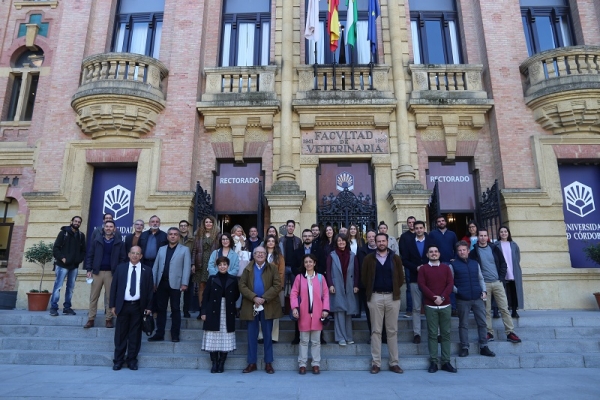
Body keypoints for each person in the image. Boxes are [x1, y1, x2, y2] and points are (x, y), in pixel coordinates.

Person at [361, 233, 405, 374]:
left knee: (392, 331)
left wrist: (394, 290)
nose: (381, 243)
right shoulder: (369, 258)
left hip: (393, 298)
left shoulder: (395, 258)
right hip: (375, 297)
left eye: (383, 241)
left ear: (387, 242)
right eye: (378, 241)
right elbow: (364, 277)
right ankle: (376, 363)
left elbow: (401, 277)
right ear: (375, 242)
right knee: (376, 331)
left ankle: (394, 362)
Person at [469, 228, 522, 344]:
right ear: (478, 237)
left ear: (488, 237)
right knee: (486, 310)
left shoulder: (494, 248)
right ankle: (489, 332)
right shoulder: (474, 252)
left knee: (504, 308)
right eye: (481, 236)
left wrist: (501, 278)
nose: (483, 238)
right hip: (484, 285)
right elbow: (472, 269)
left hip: (497, 283)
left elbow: (503, 264)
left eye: (485, 235)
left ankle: (510, 332)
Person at [239, 246, 283, 374]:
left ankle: (268, 363)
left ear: (265, 255)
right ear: (253, 255)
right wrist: (254, 297)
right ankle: (252, 363)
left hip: (267, 305)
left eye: (262, 253)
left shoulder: (273, 268)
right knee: (251, 336)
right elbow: (242, 285)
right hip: (251, 305)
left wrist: (264, 298)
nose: (259, 255)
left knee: (268, 335)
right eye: (257, 253)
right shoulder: (247, 268)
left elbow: (277, 285)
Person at [109, 246, 153, 371]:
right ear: (129, 254)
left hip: (138, 306)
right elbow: (114, 288)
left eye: (137, 253)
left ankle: (132, 360)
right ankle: (118, 360)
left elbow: (150, 290)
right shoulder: (121, 268)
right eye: (132, 253)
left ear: (141, 256)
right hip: (123, 306)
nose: (134, 255)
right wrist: (112, 305)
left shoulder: (147, 270)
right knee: (120, 335)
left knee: (135, 335)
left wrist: (149, 307)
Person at [450, 241, 496, 358]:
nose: (462, 252)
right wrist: (458, 291)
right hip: (462, 299)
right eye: (459, 250)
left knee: (482, 323)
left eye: (464, 250)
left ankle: (484, 346)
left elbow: (481, 278)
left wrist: (484, 291)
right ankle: (464, 347)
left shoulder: (475, 263)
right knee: (463, 324)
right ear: (457, 252)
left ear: (468, 251)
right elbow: (449, 283)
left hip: (477, 298)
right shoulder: (453, 265)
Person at [418, 245, 456, 373]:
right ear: (427, 255)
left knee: (446, 334)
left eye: (436, 252)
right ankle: (433, 361)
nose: (433, 254)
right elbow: (422, 285)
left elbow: (450, 284)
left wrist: (443, 297)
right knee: (433, 334)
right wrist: (434, 298)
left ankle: (446, 361)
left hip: (445, 305)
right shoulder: (423, 269)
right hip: (430, 305)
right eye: (431, 252)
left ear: (439, 254)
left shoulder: (446, 268)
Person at [149, 227, 192, 343]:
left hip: (176, 284)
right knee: (160, 309)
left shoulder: (184, 250)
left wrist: (184, 283)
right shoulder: (161, 249)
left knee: (176, 309)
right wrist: (153, 282)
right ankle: (159, 333)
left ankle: (175, 334)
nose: (173, 236)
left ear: (179, 237)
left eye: (175, 234)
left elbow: (187, 268)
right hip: (161, 283)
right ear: (167, 236)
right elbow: (156, 266)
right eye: (171, 234)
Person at [290, 254, 329, 375]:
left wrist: (325, 309)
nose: (308, 264)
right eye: (306, 262)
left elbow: (326, 294)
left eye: (310, 261)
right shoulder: (299, 278)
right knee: (303, 340)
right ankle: (302, 364)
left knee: (316, 341)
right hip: (304, 314)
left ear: (314, 263)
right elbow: (293, 294)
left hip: (317, 313)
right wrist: (294, 308)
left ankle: (316, 364)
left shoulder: (321, 278)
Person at [200, 256, 240, 373]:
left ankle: (222, 363)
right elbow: (205, 296)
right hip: (213, 309)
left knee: (225, 338)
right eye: (220, 265)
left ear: (228, 266)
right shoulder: (212, 279)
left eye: (224, 265)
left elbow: (236, 295)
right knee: (213, 338)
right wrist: (203, 312)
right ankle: (214, 363)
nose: (222, 267)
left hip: (227, 310)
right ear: (217, 267)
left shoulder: (233, 279)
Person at [84, 220, 126, 329]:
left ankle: (108, 319)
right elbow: (90, 256)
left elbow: (123, 258)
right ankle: (91, 319)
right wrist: (89, 269)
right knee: (94, 297)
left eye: (111, 226)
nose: (108, 228)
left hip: (111, 273)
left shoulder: (119, 243)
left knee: (110, 297)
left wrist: (118, 271)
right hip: (97, 272)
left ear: (114, 229)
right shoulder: (96, 241)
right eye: (106, 226)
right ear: (103, 228)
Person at [400, 220, 436, 344]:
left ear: (424, 229)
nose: (419, 230)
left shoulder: (431, 241)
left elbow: (436, 256)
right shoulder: (409, 242)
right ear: (414, 229)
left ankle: (436, 333)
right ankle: (417, 333)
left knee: (432, 307)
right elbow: (404, 260)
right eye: (417, 228)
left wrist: (426, 267)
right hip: (415, 278)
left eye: (421, 228)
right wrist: (416, 267)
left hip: (431, 279)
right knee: (416, 308)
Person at [326, 234, 359, 346]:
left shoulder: (352, 255)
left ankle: (349, 337)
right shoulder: (332, 255)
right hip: (337, 285)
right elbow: (328, 271)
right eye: (339, 241)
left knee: (348, 312)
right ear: (336, 242)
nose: (341, 242)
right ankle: (340, 337)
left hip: (349, 285)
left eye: (343, 241)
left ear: (346, 242)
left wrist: (356, 285)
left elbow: (356, 272)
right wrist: (330, 284)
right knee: (339, 311)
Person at [50, 216, 86, 316]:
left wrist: (79, 260)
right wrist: (62, 258)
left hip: (74, 266)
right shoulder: (63, 233)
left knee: (70, 288)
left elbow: (83, 250)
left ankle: (67, 307)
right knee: (58, 287)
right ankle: (53, 307)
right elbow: (56, 248)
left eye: (79, 222)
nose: (77, 223)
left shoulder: (81, 235)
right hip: (62, 265)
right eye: (75, 221)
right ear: (71, 222)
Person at [290, 229, 321, 344]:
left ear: (312, 237)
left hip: (315, 280)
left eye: (309, 236)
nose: (307, 238)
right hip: (301, 282)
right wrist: (301, 276)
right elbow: (293, 266)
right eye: (305, 236)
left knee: (316, 310)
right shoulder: (297, 251)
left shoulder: (319, 250)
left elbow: (321, 264)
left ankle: (319, 337)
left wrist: (316, 275)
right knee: (299, 310)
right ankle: (297, 336)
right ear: (302, 237)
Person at [429, 215, 459, 316]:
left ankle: (453, 308)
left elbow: (456, 247)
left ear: (445, 222)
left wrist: (455, 258)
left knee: (451, 285)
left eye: (442, 221)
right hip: (438, 264)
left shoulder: (452, 234)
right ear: (436, 223)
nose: (441, 223)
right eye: (439, 221)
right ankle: (441, 306)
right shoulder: (433, 234)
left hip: (450, 263)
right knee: (440, 286)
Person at [259, 235, 285, 343]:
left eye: (272, 241)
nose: (270, 243)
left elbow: (281, 273)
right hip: (261, 286)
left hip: (274, 288)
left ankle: (273, 336)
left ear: (275, 243)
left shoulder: (279, 257)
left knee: (274, 311)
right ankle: (261, 335)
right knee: (260, 310)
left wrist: (277, 287)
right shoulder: (260, 255)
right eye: (268, 241)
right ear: (265, 243)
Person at [192, 215, 219, 316]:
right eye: (206, 222)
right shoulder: (198, 234)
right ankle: (201, 309)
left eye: (210, 222)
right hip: (200, 262)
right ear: (204, 224)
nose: (208, 224)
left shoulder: (218, 235)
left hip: (213, 263)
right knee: (201, 286)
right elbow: (194, 250)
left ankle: (210, 309)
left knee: (212, 286)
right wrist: (193, 263)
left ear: (213, 223)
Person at [497, 226, 523, 319]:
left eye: (505, 231)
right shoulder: (496, 245)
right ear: (499, 234)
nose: (503, 233)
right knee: (501, 292)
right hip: (501, 271)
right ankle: (500, 310)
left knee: (514, 291)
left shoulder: (514, 245)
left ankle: (514, 310)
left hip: (513, 270)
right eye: (501, 232)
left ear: (508, 233)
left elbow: (517, 258)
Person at [357, 229, 377, 336]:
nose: (371, 238)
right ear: (366, 238)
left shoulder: (382, 250)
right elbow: (359, 268)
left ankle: (382, 335)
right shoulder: (361, 251)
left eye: (373, 236)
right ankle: (372, 334)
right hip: (366, 287)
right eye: (369, 237)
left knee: (380, 313)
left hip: (380, 286)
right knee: (369, 313)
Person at [399, 216, 416, 318]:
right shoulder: (404, 236)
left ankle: (422, 308)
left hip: (421, 265)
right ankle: (409, 309)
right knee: (409, 288)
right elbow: (402, 251)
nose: (411, 224)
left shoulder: (422, 235)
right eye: (409, 222)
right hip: (409, 265)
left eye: (413, 222)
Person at [279, 220, 302, 295]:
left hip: (293, 267)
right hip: (284, 266)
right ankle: (282, 305)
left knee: (295, 288)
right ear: (286, 227)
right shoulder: (281, 240)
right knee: (281, 287)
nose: (290, 228)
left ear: (294, 228)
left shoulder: (298, 240)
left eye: (292, 226)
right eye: (289, 226)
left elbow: (300, 254)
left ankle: (294, 305)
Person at [179, 220, 195, 318]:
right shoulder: (176, 237)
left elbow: (194, 252)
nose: (183, 227)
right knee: (176, 290)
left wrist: (193, 264)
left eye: (185, 225)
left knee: (188, 291)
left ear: (188, 227)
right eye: (181, 226)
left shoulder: (193, 239)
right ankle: (175, 310)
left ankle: (186, 310)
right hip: (177, 266)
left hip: (188, 266)